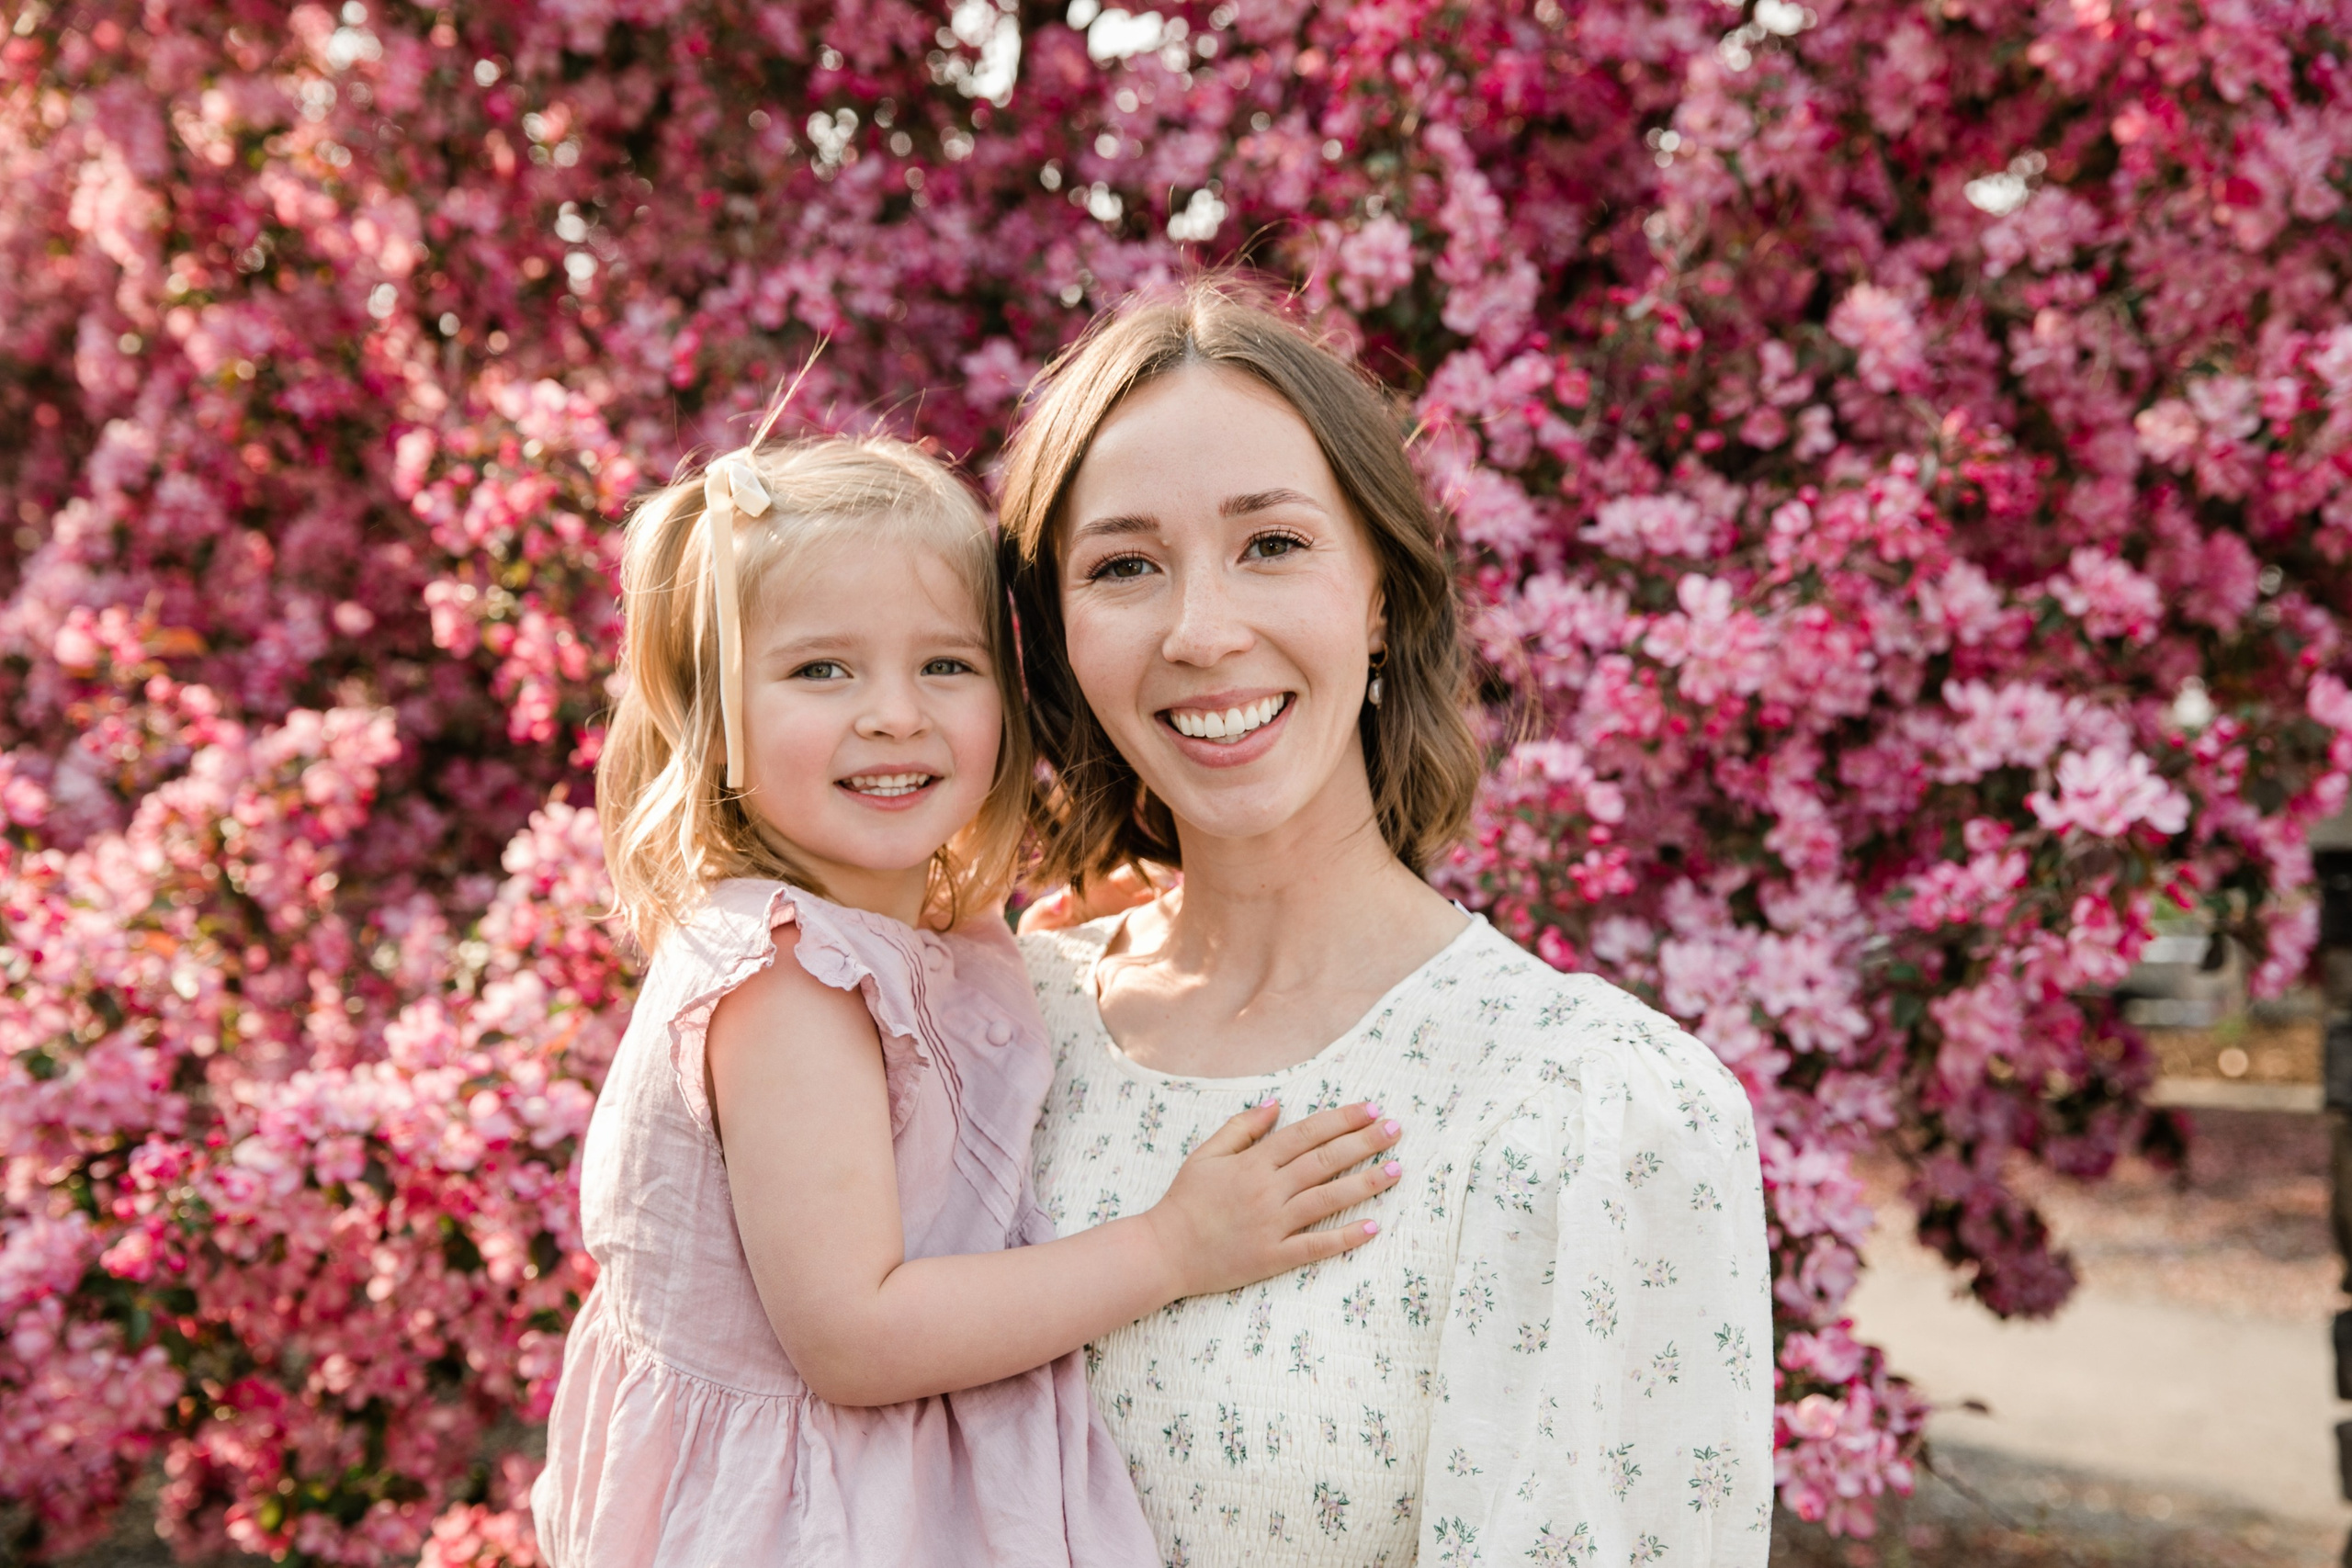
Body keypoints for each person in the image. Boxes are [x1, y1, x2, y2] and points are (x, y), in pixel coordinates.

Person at [531, 433, 1408, 1565]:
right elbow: (856, 1334)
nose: (895, 715)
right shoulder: (787, 983)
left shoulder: (892, 929)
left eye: (946, 666)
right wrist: (1173, 1248)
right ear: (715, 715)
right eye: (821, 670)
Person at [1002, 282, 1774, 1567]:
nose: (1203, 630)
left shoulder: (1588, 1106)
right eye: (1126, 564)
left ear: (1379, 593)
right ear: (1063, 634)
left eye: (1273, 543)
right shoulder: (995, 1037)